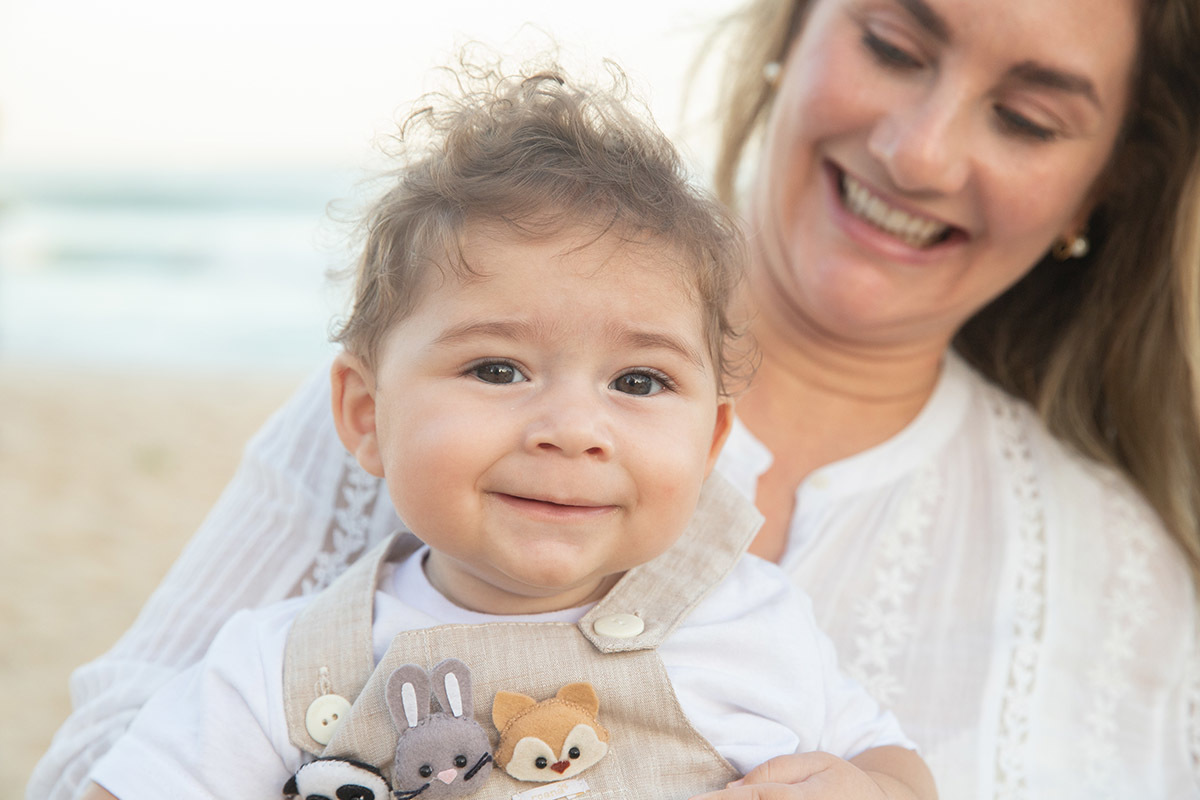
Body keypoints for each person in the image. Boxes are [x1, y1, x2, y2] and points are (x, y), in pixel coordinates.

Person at [29, 0, 1200, 796]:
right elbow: (113, 759)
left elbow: (883, 761)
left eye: (1029, 116)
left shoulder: (768, 623)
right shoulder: (311, 622)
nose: (922, 149)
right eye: (895, 42)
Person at [77, 64, 934, 800]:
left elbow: (890, 761)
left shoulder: (752, 620)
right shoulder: (286, 663)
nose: (571, 430)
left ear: (710, 445)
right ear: (366, 416)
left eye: (638, 381)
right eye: (497, 369)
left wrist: (874, 787)